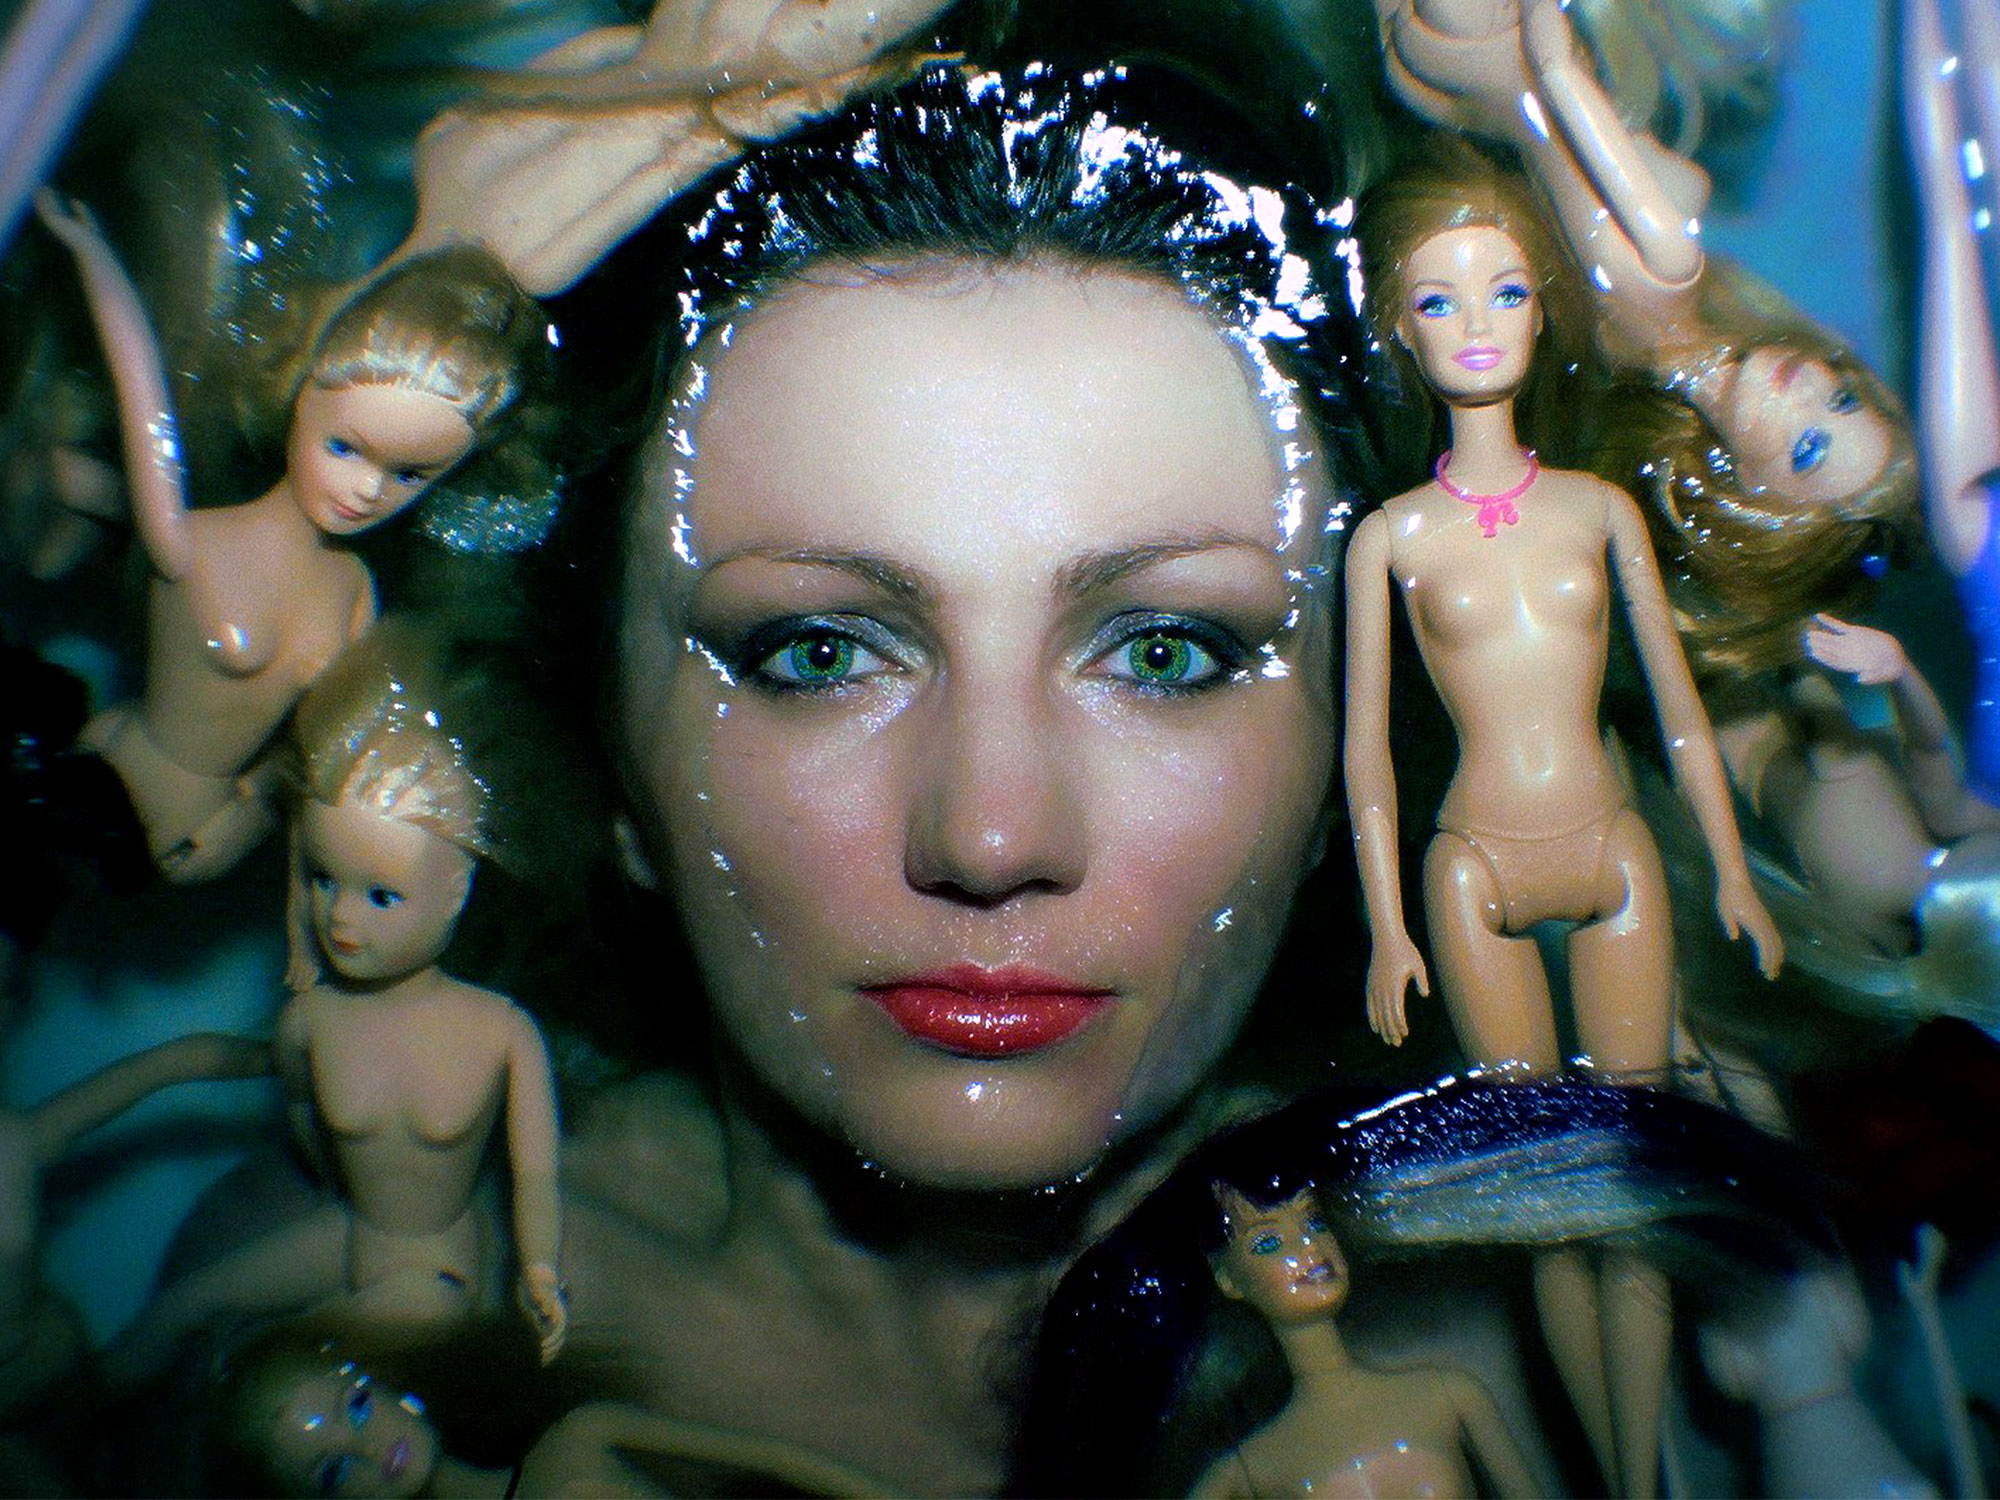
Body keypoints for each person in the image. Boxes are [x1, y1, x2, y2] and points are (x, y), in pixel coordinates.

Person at [151, 56, 1374, 1495]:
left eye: (1167, 653)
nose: (990, 837)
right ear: (602, 751)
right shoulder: (308, 1357)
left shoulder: (1544, 1326)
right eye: (816, 653)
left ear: (1350, 754)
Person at [1342, 142, 1779, 1497]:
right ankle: (1612, 1476)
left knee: (1629, 1190)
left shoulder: (1597, 512)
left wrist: (1735, 873)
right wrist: (1386, 927)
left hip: (1611, 853)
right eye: (1437, 299)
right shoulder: (1392, 539)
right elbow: (1365, 751)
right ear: (1399, 330)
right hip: (1473, 868)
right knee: (1544, 1200)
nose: (1475, 324)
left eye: (1504, 291)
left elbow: (1680, 712)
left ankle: (1638, 1476)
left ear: (1543, 309)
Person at [1379, 0, 1920, 692]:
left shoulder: (1665, 273)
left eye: (1806, 447)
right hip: (1469, 80)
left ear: (1744, 494)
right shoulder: (1631, 348)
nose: (1808, 392)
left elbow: (1554, 69)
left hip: (1482, 41)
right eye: (1842, 398)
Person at [35, 194, 555, 881]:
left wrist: (247, 817)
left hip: (198, 841)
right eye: (345, 447)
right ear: (299, 397)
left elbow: (310, 746)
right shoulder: (193, 544)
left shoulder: (357, 592)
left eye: (408, 474)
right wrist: (92, 253)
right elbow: (144, 403)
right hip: (96, 783)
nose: (367, 490)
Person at [109, 623, 567, 1382]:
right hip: (351, 1232)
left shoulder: (502, 1032)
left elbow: (537, 1173)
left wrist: (541, 1269)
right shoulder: (311, 1020)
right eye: (324, 881)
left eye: (382, 896)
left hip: (439, 1273)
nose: (342, 920)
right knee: (184, 1308)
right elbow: (301, 1117)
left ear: (457, 889)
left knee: (293, 1367)